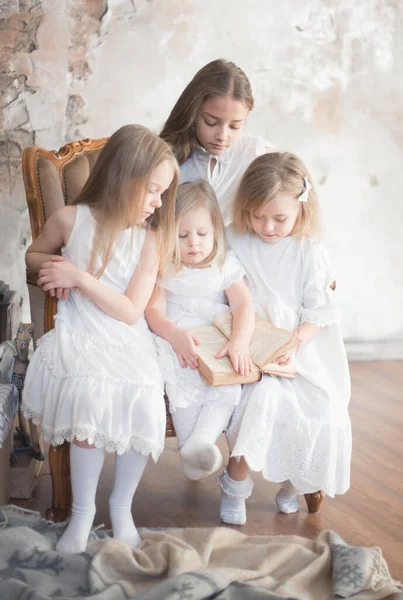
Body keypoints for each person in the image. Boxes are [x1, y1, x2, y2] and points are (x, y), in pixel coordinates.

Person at [22, 124, 179, 553]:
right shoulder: (71, 220)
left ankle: (121, 505)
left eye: (163, 193)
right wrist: (51, 269)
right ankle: (82, 513)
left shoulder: (149, 240)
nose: (158, 203)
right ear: (122, 178)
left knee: (144, 394)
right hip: (81, 328)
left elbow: (130, 311)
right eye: (152, 190)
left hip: (126, 332)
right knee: (90, 395)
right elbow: (33, 254)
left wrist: (80, 277)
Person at [217, 152, 352, 525]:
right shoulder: (234, 239)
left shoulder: (308, 251)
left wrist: (293, 342)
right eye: (257, 215)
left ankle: (294, 483)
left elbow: (318, 311)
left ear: (301, 211)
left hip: (296, 348)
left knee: (320, 409)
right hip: (245, 341)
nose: (268, 227)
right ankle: (235, 486)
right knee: (260, 401)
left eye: (280, 218)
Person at [145, 180, 255, 480]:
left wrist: (239, 343)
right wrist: (174, 335)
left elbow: (244, 306)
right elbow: (153, 311)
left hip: (217, 341)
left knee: (227, 385)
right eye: (182, 235)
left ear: (216, 230)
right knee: (182, 383)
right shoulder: (165, 266)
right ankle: (189, 448)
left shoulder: (224, 266)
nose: (193, 242)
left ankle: (201, 441)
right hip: (179, 341)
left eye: (202, 234)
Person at [160, 59, 275, 224]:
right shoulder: (167, 157)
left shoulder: (257, 154)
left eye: (235, 126)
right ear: (193, 111)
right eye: (210, 122)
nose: (222, 135)